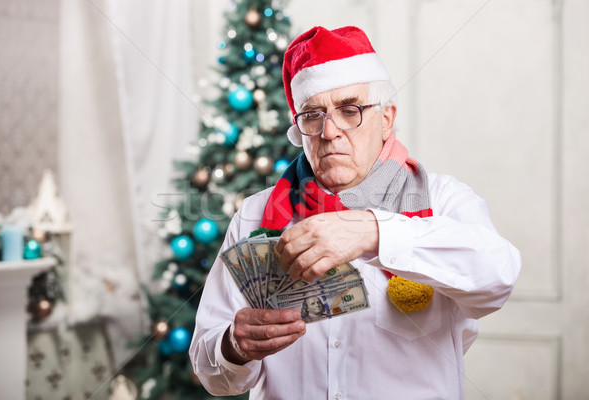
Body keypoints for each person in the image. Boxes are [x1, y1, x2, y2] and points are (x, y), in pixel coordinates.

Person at [189, 26, 521, 399]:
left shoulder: (442, 199)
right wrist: (233, 346)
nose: (329, 132)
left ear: (386, 119)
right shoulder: (255, 216)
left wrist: (374, 232)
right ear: (300, 129)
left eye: (350, 110)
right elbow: (210, 371)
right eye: (313, 115)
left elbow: (498, 276)